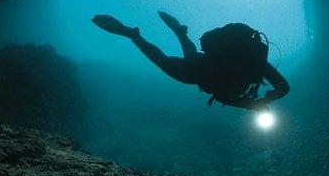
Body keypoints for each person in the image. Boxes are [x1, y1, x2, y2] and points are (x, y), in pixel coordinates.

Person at [92, 10, 290, 110]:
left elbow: (284, 87)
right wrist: (257, 103)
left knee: (190, 53)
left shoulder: (253, 61)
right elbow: (222, 96)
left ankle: (180, 32)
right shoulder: (258, 63)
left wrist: (262, 101)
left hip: (202, 65)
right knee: (163, 61)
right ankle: (134, 35)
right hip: (199, 73)